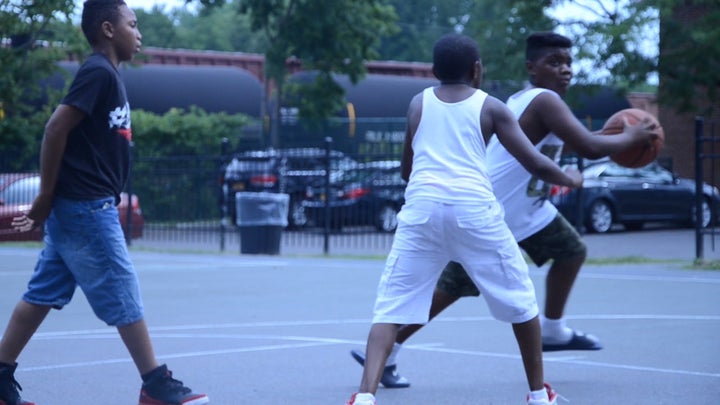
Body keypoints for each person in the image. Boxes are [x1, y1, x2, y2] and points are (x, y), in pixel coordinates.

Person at [350, 31, 660, 389]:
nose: (566, 70)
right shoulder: (542, 101)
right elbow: (588, 146)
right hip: (488, 208)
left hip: (526, 208)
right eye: (554, 63)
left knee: (571, 250)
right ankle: (393, 350)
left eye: (569, 63)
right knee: (455, 288)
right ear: (530, 68)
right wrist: (632, 139)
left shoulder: (499, 100)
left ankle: (554, 330)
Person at [0, 2, 209, 405]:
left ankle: (1, 374)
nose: (140, 33)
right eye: (134, 25)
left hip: (77, 208)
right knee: (123, 290)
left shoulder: (108, 75)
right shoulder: (98, 71)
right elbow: (55, 127)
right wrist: (44, 196)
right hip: (87, 208)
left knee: (41, 294)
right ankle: (155, 384)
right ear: (109, 29)